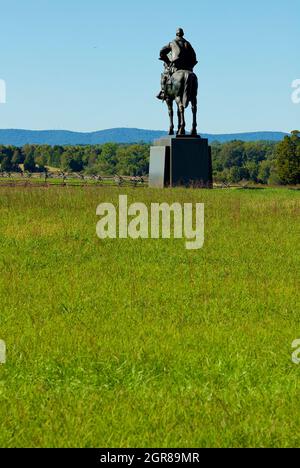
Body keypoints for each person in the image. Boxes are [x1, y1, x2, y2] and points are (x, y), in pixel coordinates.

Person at [157, 28, 198, 101]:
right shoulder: (187, 43)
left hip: (176, 66)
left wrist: (167, 61)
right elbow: (194, 56)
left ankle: (163, 92)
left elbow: (162, 51)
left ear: (176, 34)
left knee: (164, 75)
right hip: (187, 68)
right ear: (183, 34)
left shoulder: (172, 42)